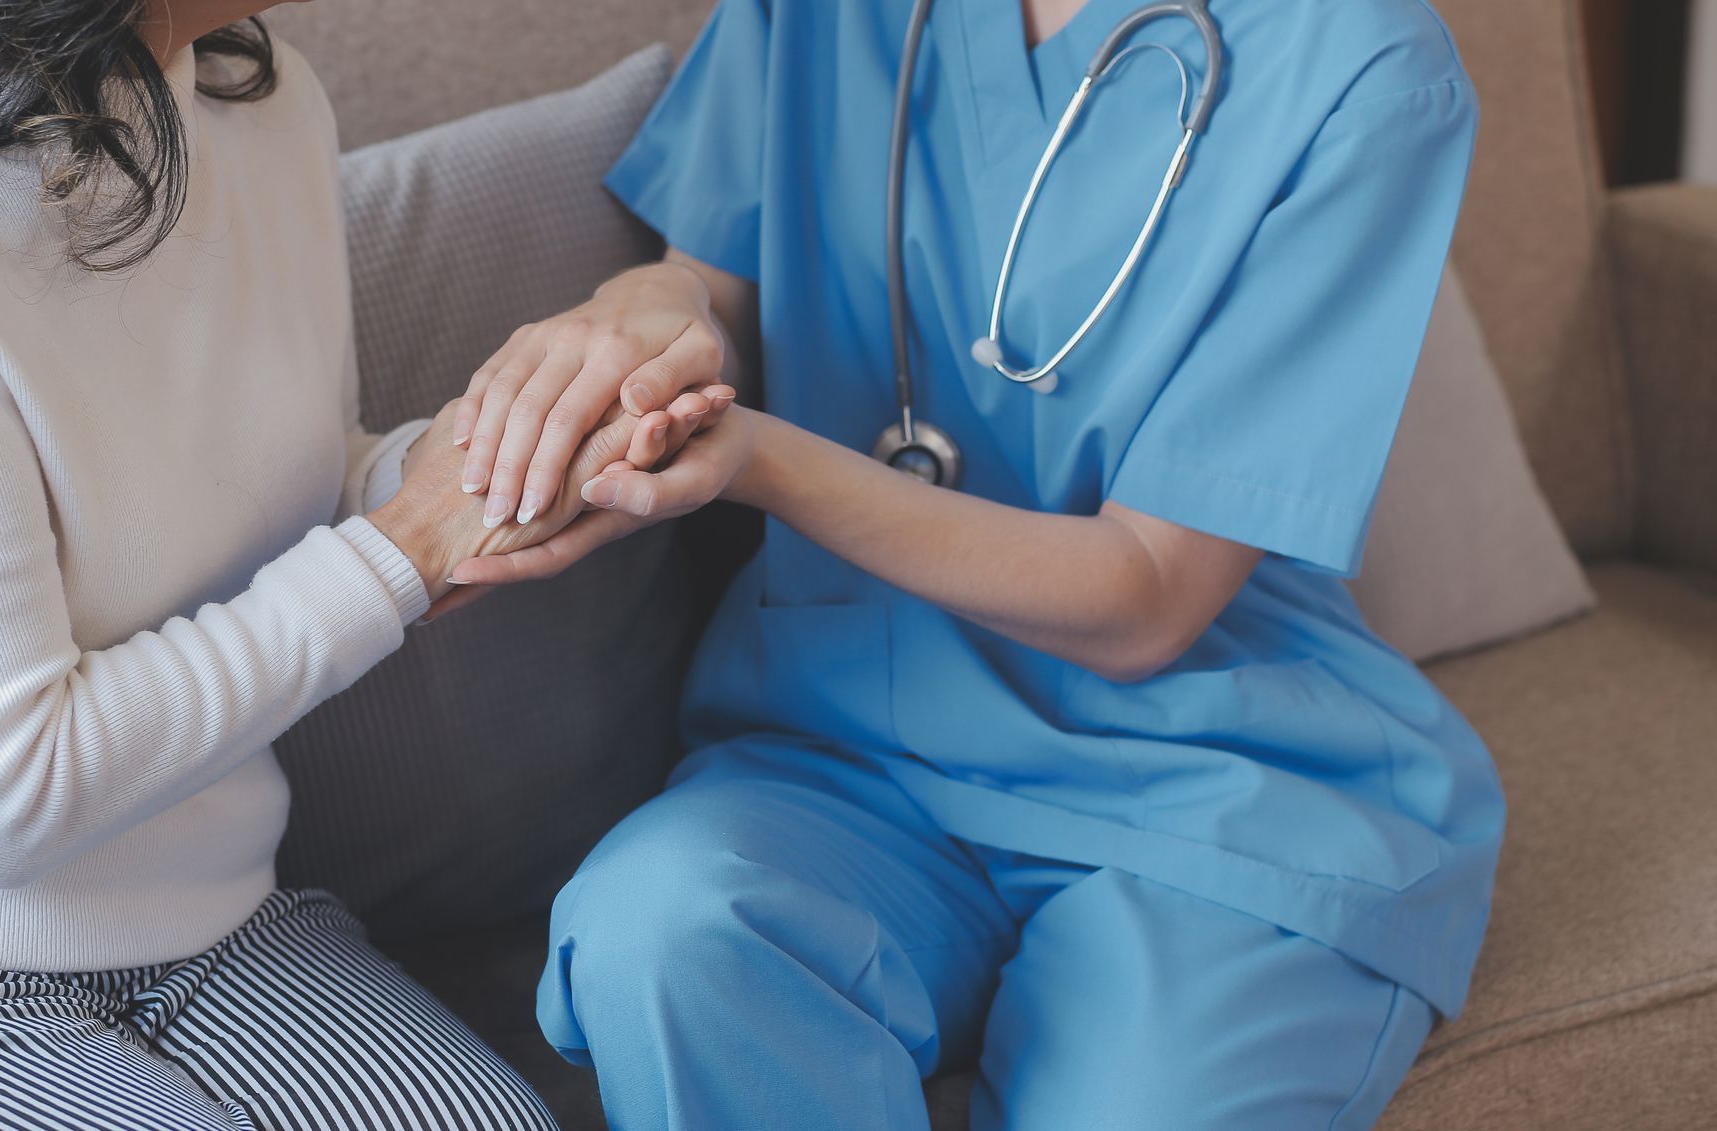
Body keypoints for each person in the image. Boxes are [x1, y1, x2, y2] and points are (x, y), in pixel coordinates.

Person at [449, 0, 1508, 1127]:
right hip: (850, 752)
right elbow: (703, 277)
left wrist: (761, 459)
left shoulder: (1360, 62)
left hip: (1202, 783)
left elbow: (1146, 597)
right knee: (663, 930)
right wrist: (645, 308)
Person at [0, 2, 729, 1127]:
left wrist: (493, 473)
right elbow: (3, 797)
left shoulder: (256, 97)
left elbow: (295, 488)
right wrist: (408, 549)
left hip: (222, 918)